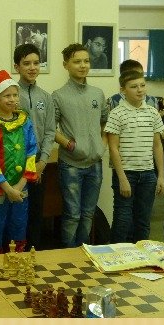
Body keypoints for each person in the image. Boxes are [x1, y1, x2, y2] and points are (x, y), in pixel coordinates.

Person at [52, 43, 108, 248]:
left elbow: (105, 122)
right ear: (66, 65)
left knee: (88, 214)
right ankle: (69, 255)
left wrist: (102, 145)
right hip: (71, 165)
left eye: (86, 61)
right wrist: (70, 145)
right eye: (77, 62)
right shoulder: (58, 96)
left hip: (95, 164)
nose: (83, 65)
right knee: (73, 215)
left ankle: (84, 253)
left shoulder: (97, 93)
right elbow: (51, 129)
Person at [104, 70, 164, 243]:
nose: (140, 90)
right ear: (123, 90)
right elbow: (113, 148)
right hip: (126, 174)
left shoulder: (152, 112)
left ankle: (142, 254)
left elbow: (157, 145)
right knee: (122, 220)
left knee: (143, 220)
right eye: (133, 87)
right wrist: (122, 178)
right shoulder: (116, 113)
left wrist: (160, 175)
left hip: (148, 174)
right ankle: (116, 254)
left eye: (142, 85)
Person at [0, 70, 38, 255]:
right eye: (7, 96)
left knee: (18, 227)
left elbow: (31, 153)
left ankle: (17, 261)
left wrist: (19, 186)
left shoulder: (24, 121)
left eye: (15, 95)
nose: (12, 99)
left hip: (21, 187)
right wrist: (8, 189)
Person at [14, 43, 56, 250]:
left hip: (39, 163)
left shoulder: (46, 97)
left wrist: (42, 162)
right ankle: (15, 253)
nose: (32, 68)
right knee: (17, 211)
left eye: (36, 63)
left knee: (36, 212)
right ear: (17, 67)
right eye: (26, 63)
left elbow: (50, 131)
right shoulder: (11, 95)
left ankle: (33, 253)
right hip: (15, 163)